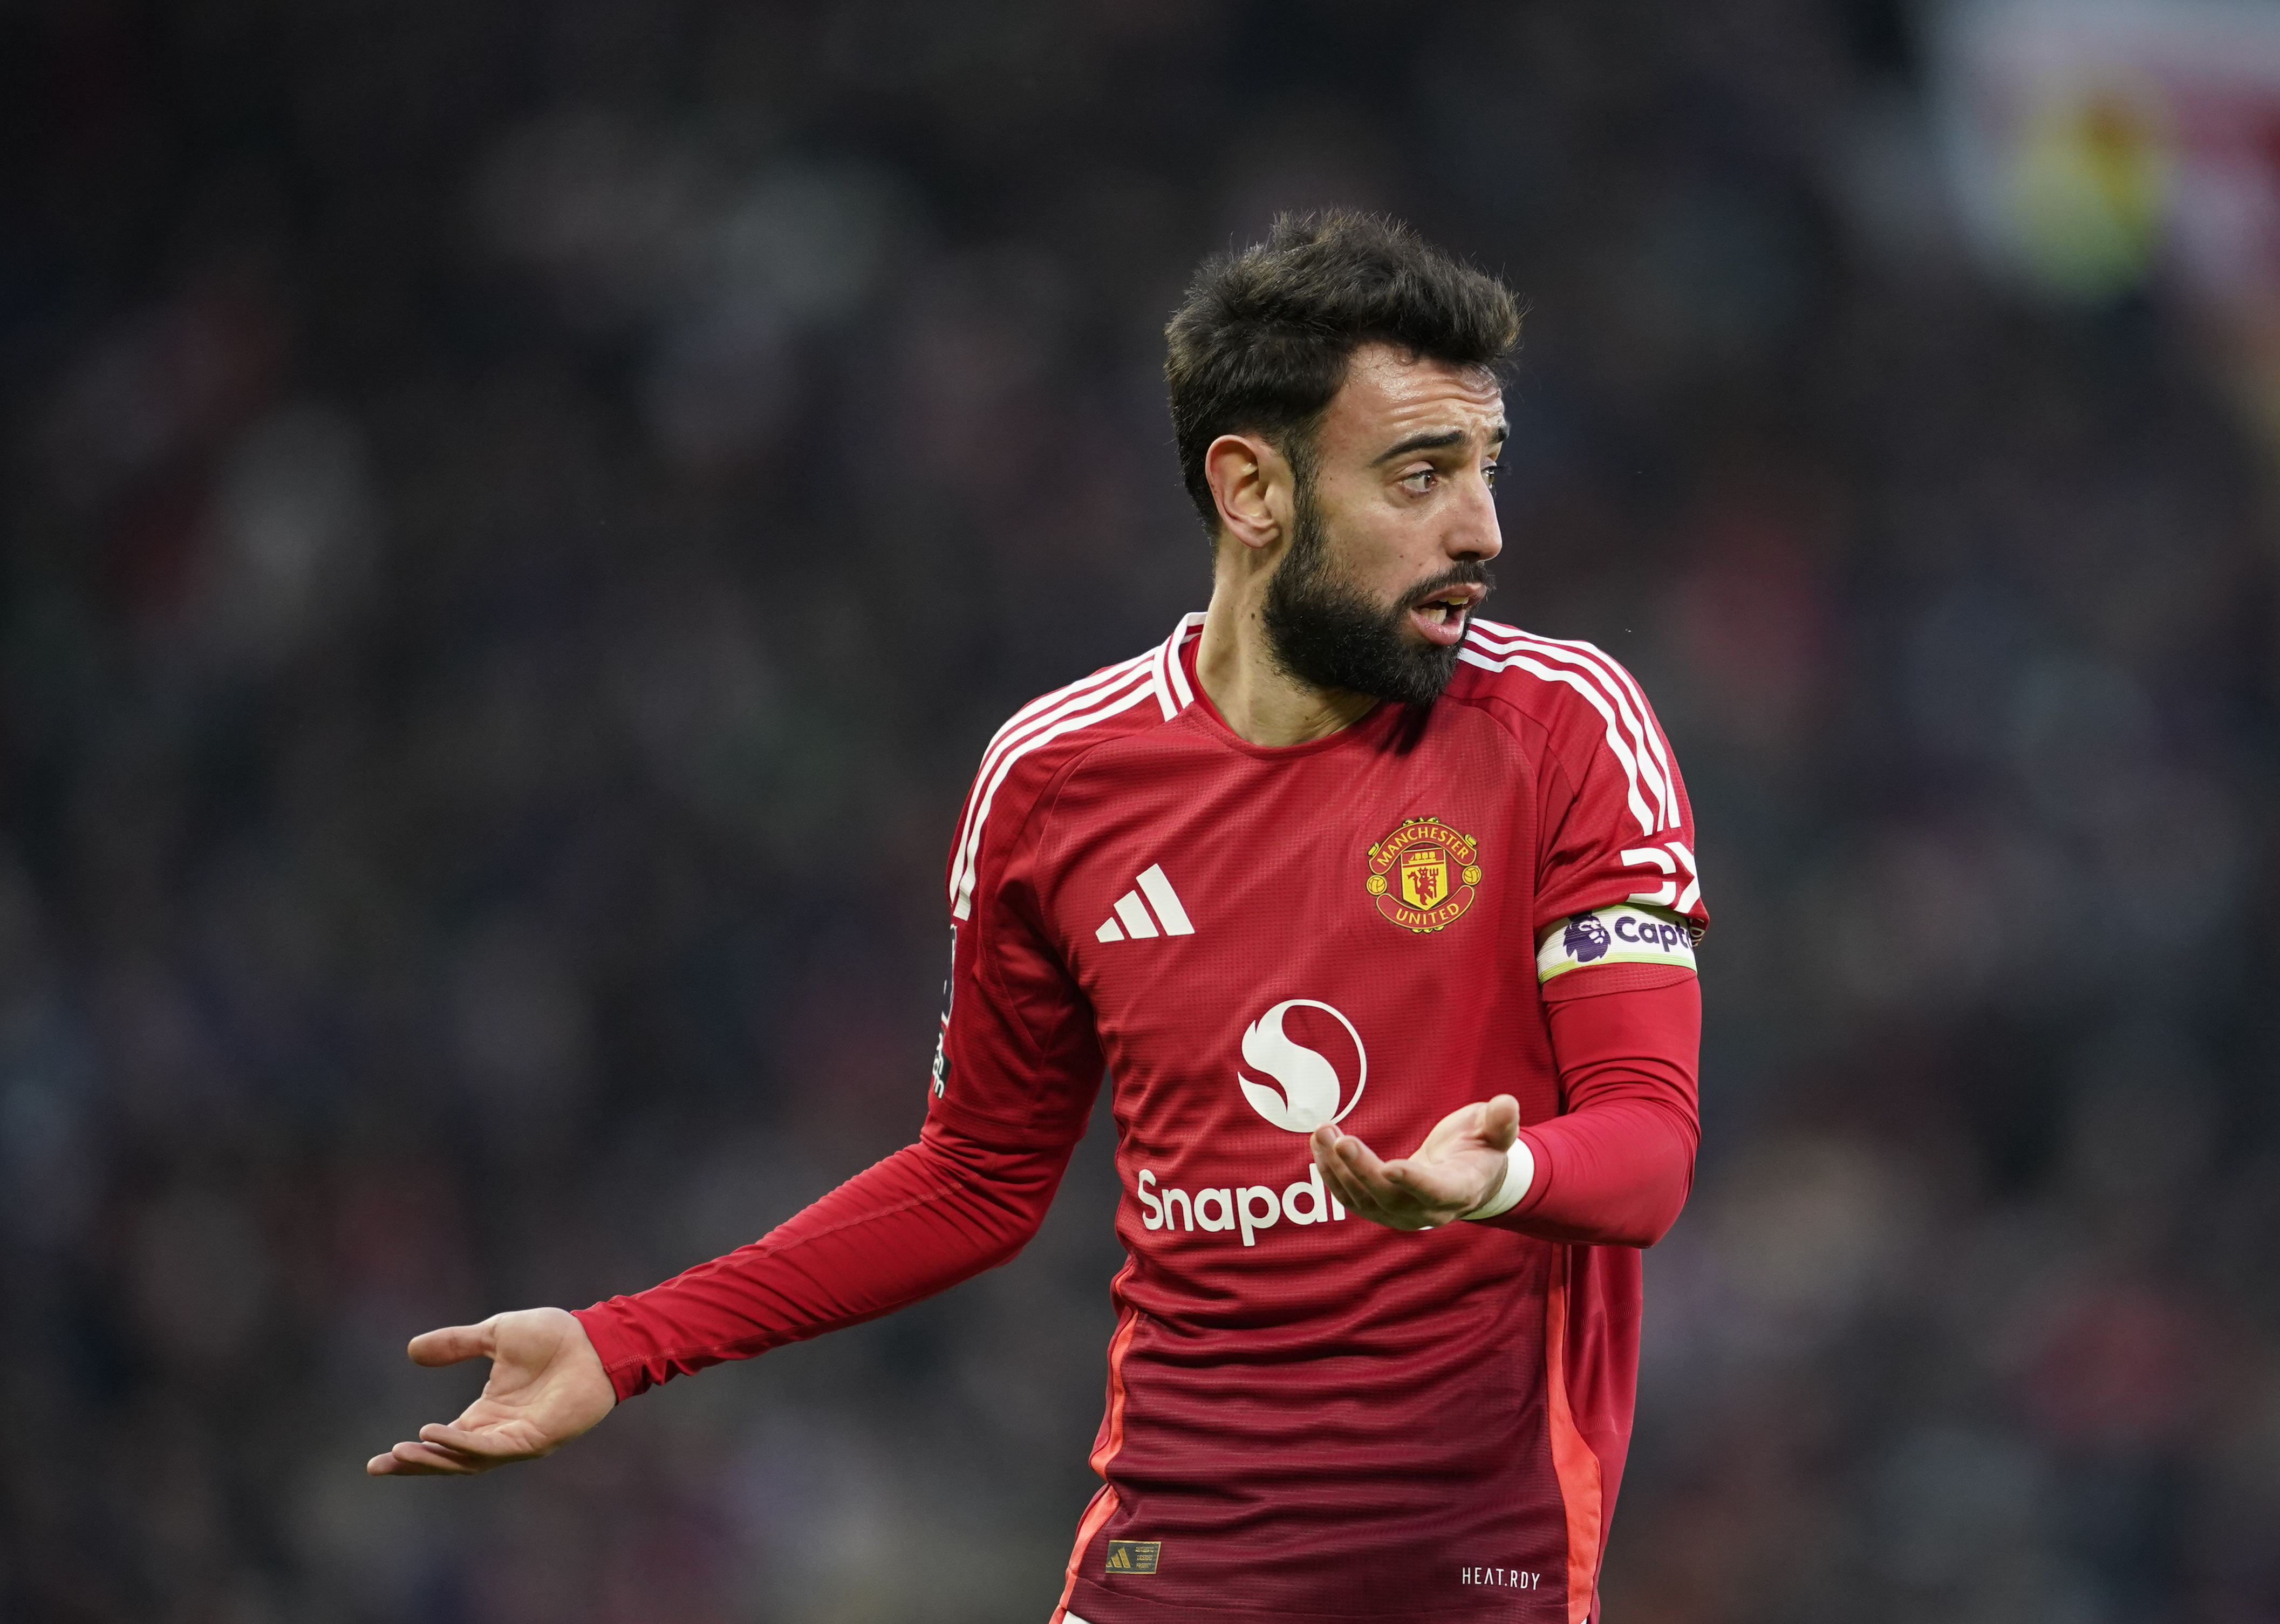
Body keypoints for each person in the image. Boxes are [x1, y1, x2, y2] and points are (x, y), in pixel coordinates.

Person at [368, 210, 1707, 1624]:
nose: (1481, 530)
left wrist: (1490, 1181)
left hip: (1464, 1580)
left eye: (1485, 470)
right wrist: (622, 1341)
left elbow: (1646, 1145)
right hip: (1162, 1567)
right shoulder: (1058, 778)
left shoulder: (1562, 727)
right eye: (1419, 476)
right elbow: (975, 1177)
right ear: (1252, 488)